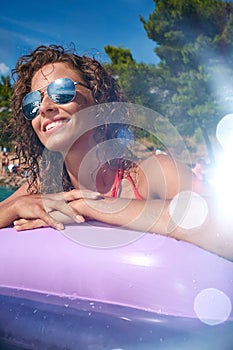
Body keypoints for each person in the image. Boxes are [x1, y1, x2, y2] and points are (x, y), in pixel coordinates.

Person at [0, 45, 232, 261]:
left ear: (98, 101)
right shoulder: (42, 189)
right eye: (32, 102)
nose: (43, 107)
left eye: (61, 90)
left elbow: (224, 225)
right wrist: (15, 206)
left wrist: (92, 206)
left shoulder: (150, 174)